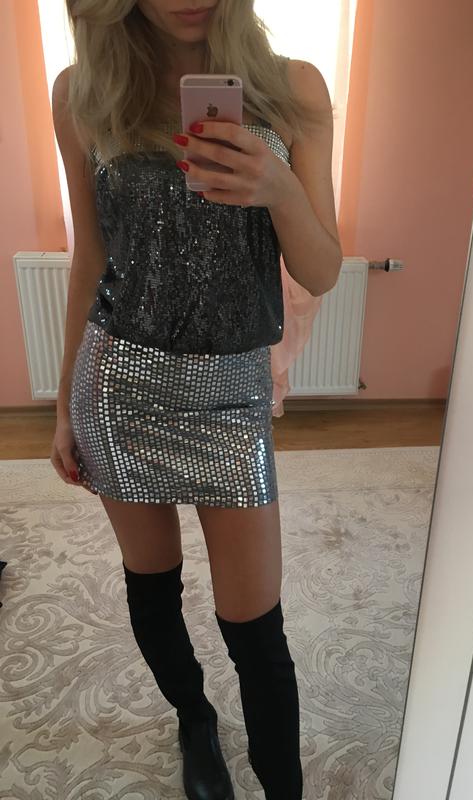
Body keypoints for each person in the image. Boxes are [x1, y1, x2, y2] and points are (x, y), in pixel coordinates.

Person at [49, 1, 343, 798]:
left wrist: (278, 188)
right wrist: (64, 404)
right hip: (119, 383)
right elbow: (90, 256)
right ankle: (194, 720)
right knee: (153, 586)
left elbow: (322, 270)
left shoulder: (294, 90)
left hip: (231, 395)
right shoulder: (81, 93)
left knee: (257, 629)